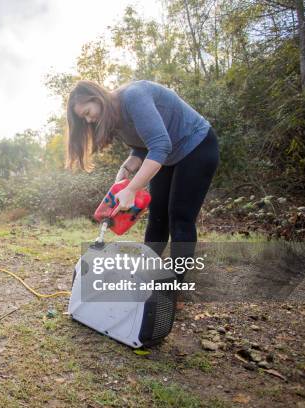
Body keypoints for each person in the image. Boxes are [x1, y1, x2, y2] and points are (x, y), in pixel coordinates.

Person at [66, 79, 220, 308]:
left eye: (88, 113)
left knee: (179, 217)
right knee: (157, 217)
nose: (89, 120)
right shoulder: (114, 118)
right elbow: (142, 145)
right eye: (84, 119)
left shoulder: (134, 97)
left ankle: (172, 292)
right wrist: (126, 170)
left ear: (97, 98)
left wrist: (132, 189)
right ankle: (148, 278)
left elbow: (160, 145)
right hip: (168, 154)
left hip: (196, 145)